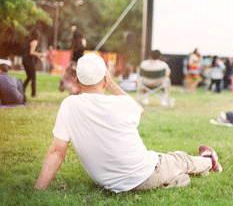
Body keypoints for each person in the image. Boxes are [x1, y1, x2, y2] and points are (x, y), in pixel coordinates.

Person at [35, 53, 222, 193]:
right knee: (179, 159)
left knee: (162, 160)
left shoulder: (69, 105)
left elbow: (57, 152)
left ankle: (175, 178)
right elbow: (139, 110)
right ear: (106, 79)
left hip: (107, 182)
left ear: (77, 80)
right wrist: (111, 83)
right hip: (144, 175)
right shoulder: (120, 103)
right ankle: (209, 160)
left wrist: (38, 189)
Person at [22, 30, 45, 98]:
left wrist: (40, 58)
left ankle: (22, 89)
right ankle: (33, 94)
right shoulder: (35, 42)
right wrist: (41, 54)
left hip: (25, 60)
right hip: (29, 61)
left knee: (29, 77)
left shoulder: (30, 41)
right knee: (33, 77)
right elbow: (31, 52)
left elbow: (32, 52)